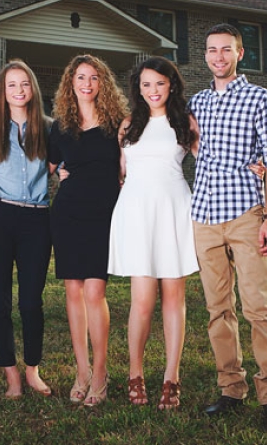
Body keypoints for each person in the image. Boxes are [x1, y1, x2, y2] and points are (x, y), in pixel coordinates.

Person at [189, 23, 267, 433]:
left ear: (240, 53)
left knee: (259, 308)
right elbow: (194, 145)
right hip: (204, 216)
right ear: (206, 56)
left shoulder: (260, 98)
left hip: (247, 214)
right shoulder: (196, 101)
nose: (218, 57)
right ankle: (230, 388)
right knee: (218, 310)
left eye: (225, 50)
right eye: (212, 50)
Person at [107, 57, 199, 410]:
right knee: (142, 301)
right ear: (138, 88)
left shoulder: (185, 123)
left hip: (174, 208)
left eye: (159, 83)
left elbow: (210, 162)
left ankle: (171, 378)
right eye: (146, 85)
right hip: (136, 212)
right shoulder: (128, 125)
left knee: (174, 298)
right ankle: (136, 375)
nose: (153, 90)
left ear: (171, 85)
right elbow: (118, 172)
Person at [49, 54, 128, 407]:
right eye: (80, 77)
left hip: (103, 213)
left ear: (102, 83)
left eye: (94, 77)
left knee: (95, 293)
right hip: (68, 212)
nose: (87, 83)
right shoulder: (60, 126)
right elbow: (50, 163)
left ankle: (100, 372)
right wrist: (57, 173)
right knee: (73, 291)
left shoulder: (118, 124)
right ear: (71, 82)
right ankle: (81, 371)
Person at [0, 60, 53, 399]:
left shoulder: (50, 128)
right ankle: (11, 376)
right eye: (11, 85)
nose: (19, 90)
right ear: (2, 92)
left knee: (31, 301)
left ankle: (33, 370)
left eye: (24, 84)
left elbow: (70, 162)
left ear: (33, 88)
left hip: (37, 220)